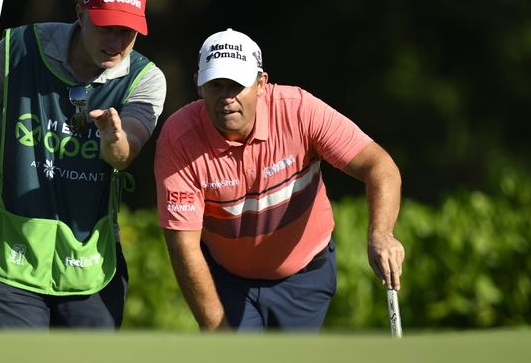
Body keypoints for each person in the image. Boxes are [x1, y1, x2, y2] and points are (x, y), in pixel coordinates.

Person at [0, 0, 166, 329]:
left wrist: (114, 139)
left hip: (90, 260)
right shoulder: (19, 48)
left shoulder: (146, 78)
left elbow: (127, 152)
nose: (115, 42)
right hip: (14, 252)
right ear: (80, 14)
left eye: (126, 32)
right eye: (105, 27)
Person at [154, 28, 403, 332]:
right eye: (215, 85)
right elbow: (183, 244)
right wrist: (217, 331)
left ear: (261, 84)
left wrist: (381, 232)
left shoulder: (299, 110)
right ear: (198, 86)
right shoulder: (179, 137)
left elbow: (378, 164)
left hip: (304, 276)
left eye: (237, 85)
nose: (226, 97)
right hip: (227, 281)